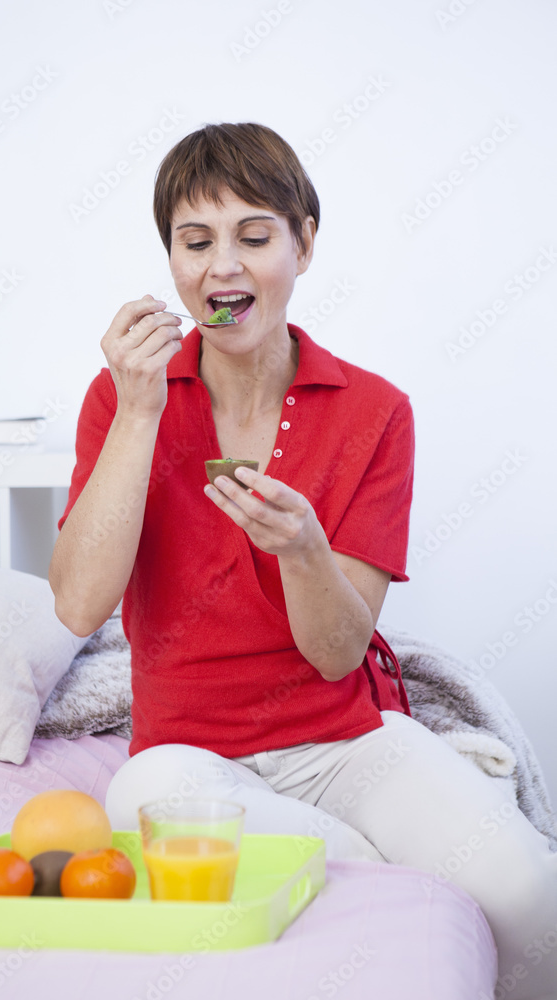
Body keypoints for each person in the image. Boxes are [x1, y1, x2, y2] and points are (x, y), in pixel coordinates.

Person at [49, 122, 557, 999]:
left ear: (304, 243)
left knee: (529, 894)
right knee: (140, 801)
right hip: (184, 752)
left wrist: (305, 548)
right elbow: (78, 607)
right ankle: (388, 877)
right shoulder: (122, 394)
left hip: (343, 740)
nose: (222, 269)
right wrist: (137, 414)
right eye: (195, 242)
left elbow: (334, 652)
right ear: (168, 258)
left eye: (254, 236)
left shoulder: (375, 410)